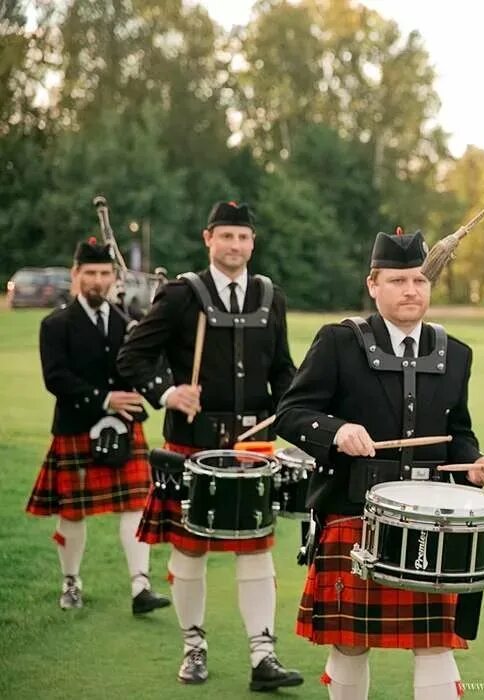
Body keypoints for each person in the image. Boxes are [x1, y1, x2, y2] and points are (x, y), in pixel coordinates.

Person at [276, 228, 484, 700]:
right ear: (373, 285)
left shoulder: (455, 353)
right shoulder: (339, 342)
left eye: (419, 280)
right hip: (352, 513)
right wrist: (337, 432)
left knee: (436, 644)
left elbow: (457, 433)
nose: (410, 290)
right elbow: (291, 414)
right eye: (398, 280)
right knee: (349, 644)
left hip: (432, 525)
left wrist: (474, 461)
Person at [116, 201, 301, 691]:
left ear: (252, 244)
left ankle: (263, 656)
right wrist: (167, 391)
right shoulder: (181, 295)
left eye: (243, 238)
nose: (235, 246)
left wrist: (291, 412)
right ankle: (193, 648)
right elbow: (133, 356)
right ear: (208, 239)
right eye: (226, 237)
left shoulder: (270, 295)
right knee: (189, 553)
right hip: (190, 446)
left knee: (256, 554)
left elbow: (282, 367)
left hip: (253, 448)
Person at [26, 236, 170, 615]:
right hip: (76, 428)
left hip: (124, 429)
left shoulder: (127, 323)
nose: (97, 281)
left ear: (113, 277)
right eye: (90, 273)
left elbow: (141, 368)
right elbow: (55, 378)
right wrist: (106, 399)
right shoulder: (55, 325)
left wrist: (145, 392)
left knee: (137, 505)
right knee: (72, 512)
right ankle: (70, 581)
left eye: (104, 273)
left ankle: (141, 586)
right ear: (75, 275)